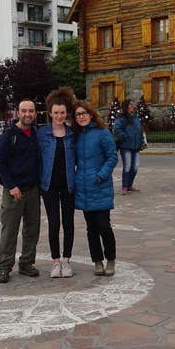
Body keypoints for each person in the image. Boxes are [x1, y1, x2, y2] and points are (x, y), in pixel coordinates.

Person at [0, 98, 41, 283]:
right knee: (9, 231)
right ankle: (5, 267)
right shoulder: (9, 135)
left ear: (35, 113)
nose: (28, 114)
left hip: (33, 190)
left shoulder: (36, 134)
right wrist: (11, 186)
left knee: (32, 230)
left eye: (31, 111)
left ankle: (26, 263)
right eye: (24, 111)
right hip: (13, 191)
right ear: (18, 113)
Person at [72, 100, 119, 276]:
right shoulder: (76, 135)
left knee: (103, 226)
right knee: (90, 228)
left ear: (91, 114)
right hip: (83, 187)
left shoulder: (102, 132)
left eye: (83, 113)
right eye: (77, 115)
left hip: (100, 186)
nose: (81, 117)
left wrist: (101, 175)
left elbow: (112, 157)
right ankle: (97, 261)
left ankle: (111, 259)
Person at [38, 87, 76, 278]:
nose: (59, 116)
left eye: (62, 112)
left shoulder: (72, 134)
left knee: (68, 223)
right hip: (48, 186)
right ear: (50, 113)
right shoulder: (41, 134)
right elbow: (36, 160)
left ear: (67, 112)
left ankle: (67, 261)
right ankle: (55, 261)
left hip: (69, 185)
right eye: (56, 113)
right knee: (54, 223)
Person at [113, 98, 145, 195]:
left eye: (132, 104)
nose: (132, 106)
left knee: (135, 166)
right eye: (130, 104)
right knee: (127, 166)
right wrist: (126, 137)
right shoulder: (121, 118)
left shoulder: (136, 117)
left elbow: (140, 130)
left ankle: (130, 185)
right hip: (126, 146)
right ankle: (125, 186)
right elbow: (117, 130)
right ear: (126, 106)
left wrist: (142, 141)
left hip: (136, 146)